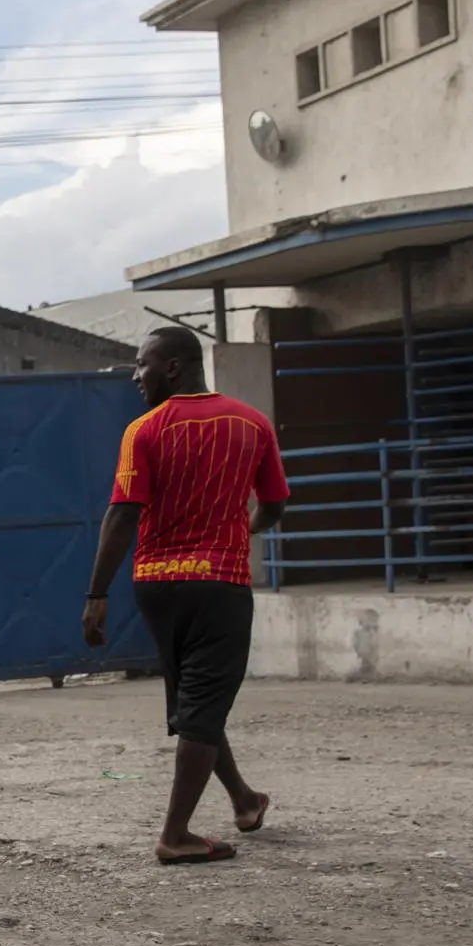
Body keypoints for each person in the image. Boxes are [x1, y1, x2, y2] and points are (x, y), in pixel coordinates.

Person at [83, 325, 289, 866]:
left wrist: (97, 593)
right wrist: (245, 526)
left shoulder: (144, 431)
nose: (134, 375)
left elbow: (123, 512)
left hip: (156, 587)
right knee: (202, 706)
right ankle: (176, 835)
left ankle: (244, 801)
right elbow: (275, 503)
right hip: (219, 585)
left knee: (196, 702)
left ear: (173, 368)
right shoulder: (253, 423)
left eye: (141, 364)